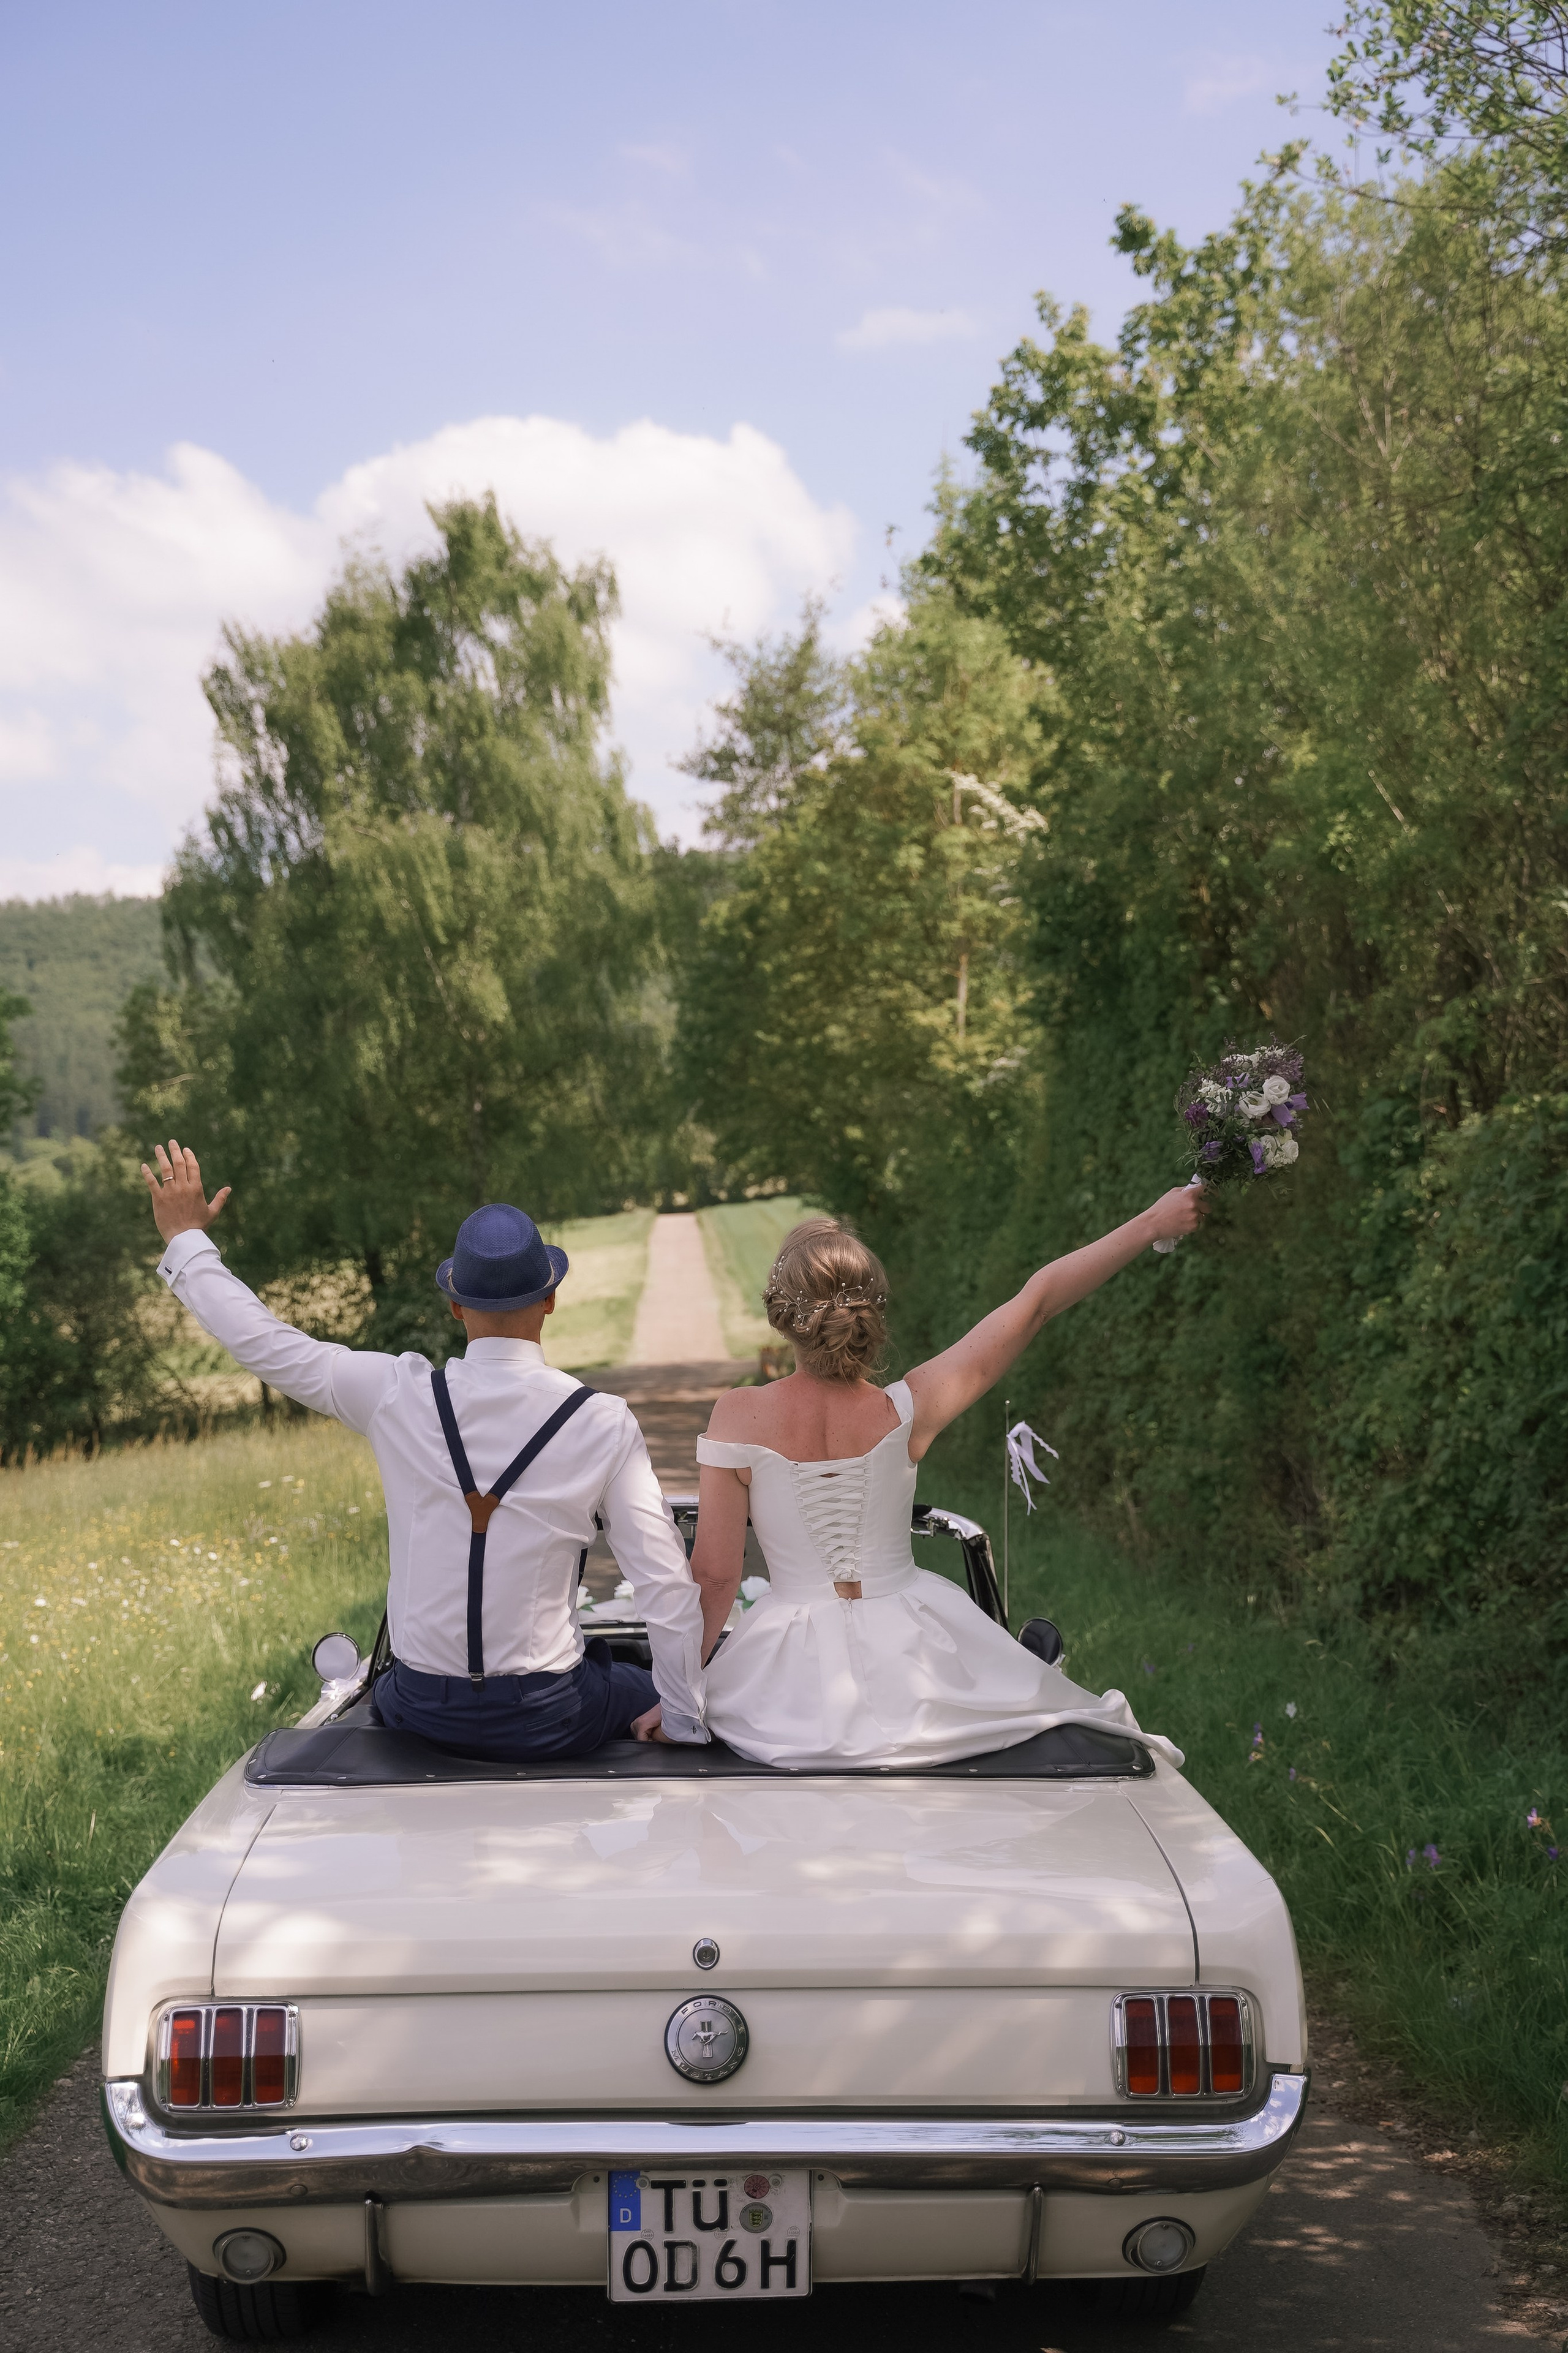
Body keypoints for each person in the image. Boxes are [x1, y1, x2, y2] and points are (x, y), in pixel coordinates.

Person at [140, 1141, 707, 1757]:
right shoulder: (602, 1421)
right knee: (631, 1681)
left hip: (421, 1710)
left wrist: (186, 1240)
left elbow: (267, 1343)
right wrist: (680, 1719)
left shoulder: (396, 1393)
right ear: (549, 1298)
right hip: (549, 1715)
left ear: (456, 1304)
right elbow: (664, 1585)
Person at [676, 1192, 1206, 1769]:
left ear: (783, 1312)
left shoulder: (738, 1414)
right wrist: (1153, 1221)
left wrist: (678, 1699)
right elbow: (1037, 1304)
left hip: (788, 1681)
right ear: (869, 1313)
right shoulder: (907, 1409)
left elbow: (716, 1575)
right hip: (917, 1657)